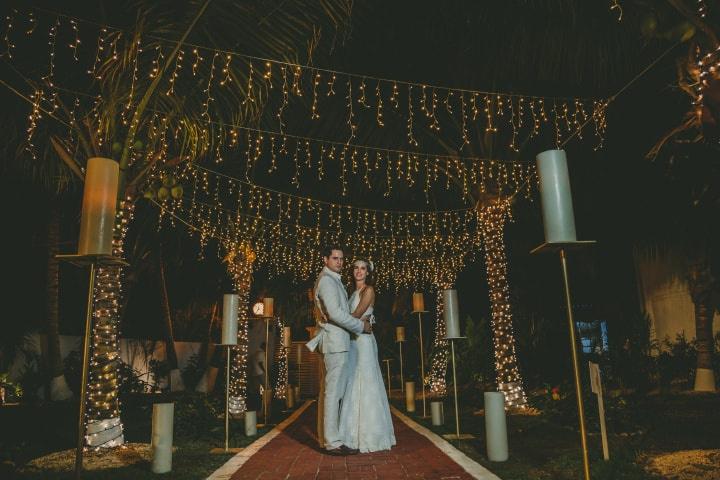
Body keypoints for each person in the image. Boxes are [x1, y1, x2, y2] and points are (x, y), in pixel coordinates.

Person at [306, 245, 372, 455]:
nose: (340, 262)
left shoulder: (333, 280)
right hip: (335, 344)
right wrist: (361, 326)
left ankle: (327, 439)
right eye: (335, 258)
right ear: (325, 259)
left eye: (342, 259)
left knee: (330, 393)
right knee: (332, 394)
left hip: (337, 343)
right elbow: (335, 314)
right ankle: (332, 442)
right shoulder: (326, 281)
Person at [338, 258, 396, 452]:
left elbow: (354, 316)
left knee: (367, 382)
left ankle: (371, 436)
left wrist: (340, 319)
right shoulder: (352, 292)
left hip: (364, 343)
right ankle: (351, 435)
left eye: (363, 269)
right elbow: (354, 319)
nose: (359, 271)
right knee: (352, 383)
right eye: (356, 268)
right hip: (353, 342)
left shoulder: (368, 290)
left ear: (368, 273)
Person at [247, 342, 266, 411]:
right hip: (260, 372)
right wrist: (265, 371)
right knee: (267, 387)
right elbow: (260, 363)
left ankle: (256, 404)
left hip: (254, 373)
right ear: (263, 346)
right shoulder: (261, 353)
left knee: (256, 390)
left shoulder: (254, 354)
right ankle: (265, 405)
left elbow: (252, 364)